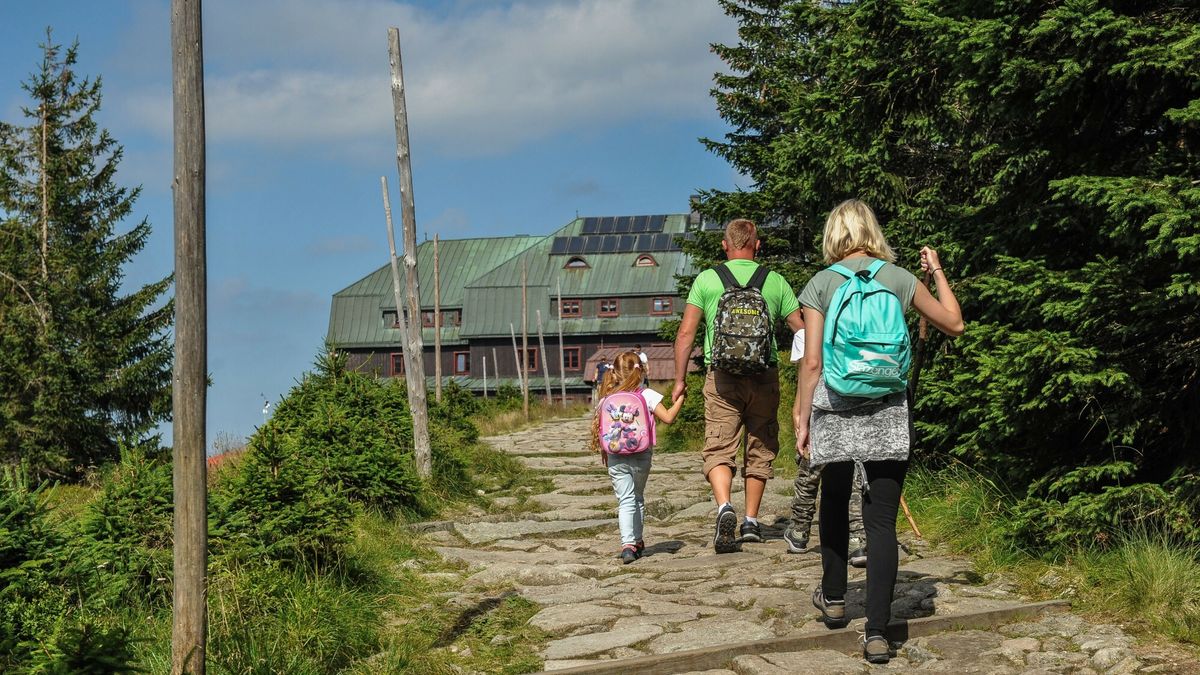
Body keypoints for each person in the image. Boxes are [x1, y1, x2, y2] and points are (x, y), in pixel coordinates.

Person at [795, 199, 962, 664]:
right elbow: (955, 323)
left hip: (835, 405)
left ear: (833, 234)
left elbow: (811, 363)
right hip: (888, 406)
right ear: (872, 231)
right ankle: (876, 632)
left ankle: (832, 600)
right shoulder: (900, 278)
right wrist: (938, 271)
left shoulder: (820, 284)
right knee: (881, 521)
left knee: (833, 497)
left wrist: (801, 417)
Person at [672, 218, 804, 553]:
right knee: (759, 445)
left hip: (722, 376)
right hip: (765, 375)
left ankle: (723, 507)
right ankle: (750, 521)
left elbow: (686, 333)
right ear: (757, 245)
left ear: (725, 245)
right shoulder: (774, 281)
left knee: (719, 446)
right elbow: (801, 330)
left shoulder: (707, 279)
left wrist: (679, 380)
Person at [591, 351, 685, 563]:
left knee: (625, 500)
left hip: (615, 455)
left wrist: (605, 452)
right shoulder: (647, 394)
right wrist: (680, 399)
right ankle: (638, 541)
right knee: (638, 497)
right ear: (640, 370)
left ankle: (628, 545)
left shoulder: (606, 398)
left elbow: (602, 429)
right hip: (642, 454)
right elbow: (668, 418)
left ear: (614, 372)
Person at [784, 330, 866, 564]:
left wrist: (800, 414)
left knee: (809, 473)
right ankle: (857, 540)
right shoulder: (857, 325)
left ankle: (799, 532)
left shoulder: (807, 332)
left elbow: (809, 368)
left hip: (821, 410)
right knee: (856, 477)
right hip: (855, 408)